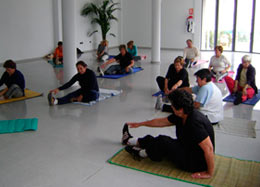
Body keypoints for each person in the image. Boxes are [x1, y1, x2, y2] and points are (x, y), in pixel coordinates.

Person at [122, 90, 215, 179]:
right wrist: (141, 124)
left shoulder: (194, 122)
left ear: (180, 109)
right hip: (188, 149)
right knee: (158, 141)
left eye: (173, 105)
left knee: (163, 141)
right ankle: (130, 140)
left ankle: (141, 153)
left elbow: (209, 148)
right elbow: (162, 122)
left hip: (195, 163)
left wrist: (209, 173)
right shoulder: (183, 114)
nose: (171, 107)